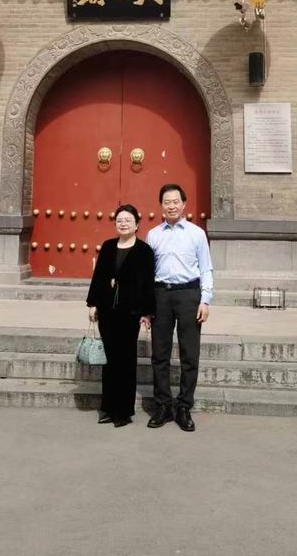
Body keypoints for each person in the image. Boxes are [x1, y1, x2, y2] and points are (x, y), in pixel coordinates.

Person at [145, 184, 213, 432]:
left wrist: (205, 300)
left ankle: (184, 406)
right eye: (167, 202)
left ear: (184, 204)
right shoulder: (153, 235)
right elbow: (148, 272)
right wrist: (146, 306)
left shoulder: (196, 233)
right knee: (159, 354)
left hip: (189, 295)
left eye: (176, 201)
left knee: (189, 353)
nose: (171, 206)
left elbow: (206, 267)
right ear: (161, 206)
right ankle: (163, 405)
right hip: (160, 295)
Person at [86, 204, 155, 428]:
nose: (123, 223)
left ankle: (124, 411)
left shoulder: (144, 251)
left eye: (128, 220)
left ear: (137, 224)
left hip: (129, 313)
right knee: (109, 361)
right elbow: (98, 277)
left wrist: (147, 312)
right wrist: (93, 304)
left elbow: (148, 283)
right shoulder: (108, 246)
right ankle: (108, 408)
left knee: (126, 361)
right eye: (119, 220)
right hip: (107, 312)